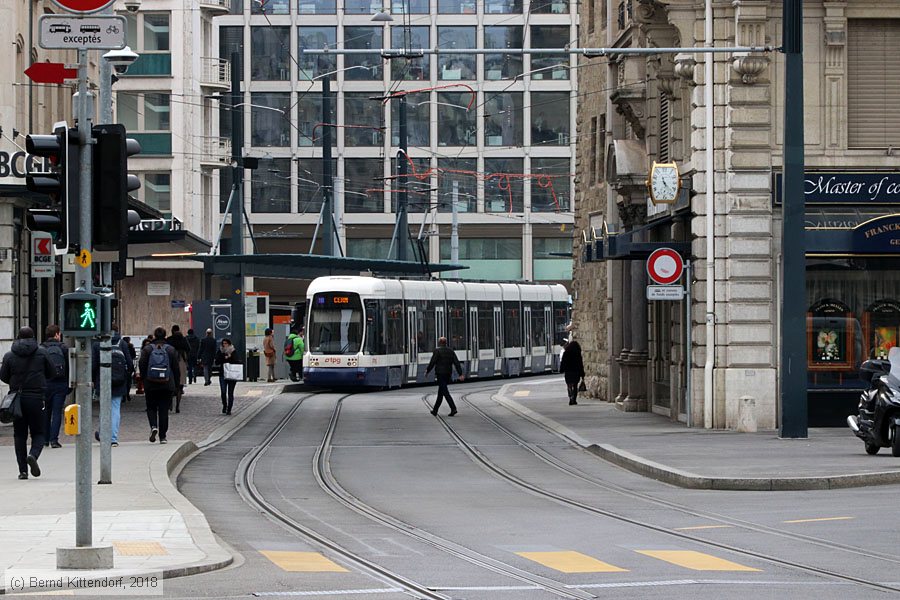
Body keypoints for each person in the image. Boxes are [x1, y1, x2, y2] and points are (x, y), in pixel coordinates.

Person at [0, 327, 56, 479]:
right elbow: (52, 372)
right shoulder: (42, 352)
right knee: (38, 432)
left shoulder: (10, 355)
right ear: (33, 337)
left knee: (19, 434)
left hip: (17, 399)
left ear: (18, 337)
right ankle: (33, 455)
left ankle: (23, 471)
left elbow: (3, 376)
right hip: (37, 397)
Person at [138, 327, 181, 444]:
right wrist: (177, 384)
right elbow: (176, 369)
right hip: (166, 384)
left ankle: (153, 426)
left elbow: (141, 364)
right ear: (165, 335)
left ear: (155, 335)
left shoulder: (147, 349)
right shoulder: (171, 350)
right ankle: (163, 436)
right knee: (163, 410)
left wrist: (143, 378)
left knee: (151, 407)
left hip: (150, 383)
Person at [91, 337, 132, 447]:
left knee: (104, 408)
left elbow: (93, 365)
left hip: (103, 380)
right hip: (119, 382)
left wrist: (94, 379)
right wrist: (126, 377)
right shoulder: (122, 343)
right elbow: (129, 363)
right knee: (115, 409)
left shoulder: (97, 344)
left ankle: (103, 434)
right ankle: (113, 438)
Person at [41, 324, 69, 449]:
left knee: (46, 411)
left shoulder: (41, 348)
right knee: (57, 412)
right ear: (57, 334)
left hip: (45, 383)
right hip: (60, 383)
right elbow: (69, 367)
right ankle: (54, 440)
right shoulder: (64, 348)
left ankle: (45, 439)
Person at [425, 336, 464, 417]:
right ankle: (435, 410)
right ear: (446, 343)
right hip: (448, 374)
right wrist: (460, 374)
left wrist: (428, 371)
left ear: (439, 342)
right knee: (441, 392)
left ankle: (453, 408)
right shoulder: (450, 351)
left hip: (440, 374)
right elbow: (457, 363)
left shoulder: (437, 351)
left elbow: (432, 362)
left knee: (445, 392)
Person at [166, 325, 190, 413]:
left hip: (170, 362)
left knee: (170, 384)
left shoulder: (169, 340)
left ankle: (170, 404)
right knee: (180, 385)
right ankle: (178, 406)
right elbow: (188, 349)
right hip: (181, 361)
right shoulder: (183, 339)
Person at [214, 338, 241, 414]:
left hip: (232, 374)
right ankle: (224, 405)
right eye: (223, 343)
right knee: (223, 392)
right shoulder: (220, 351)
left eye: (226, 343)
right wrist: (224, 357)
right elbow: (217, 361)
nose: (224, 345)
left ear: (229, 344)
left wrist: (230, 357)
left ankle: (229, 409)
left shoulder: (233, 351)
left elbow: (236, 360)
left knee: (230, 392)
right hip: (222, 374)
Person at [559, 333, 585, 406]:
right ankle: (574, 399)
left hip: (568, 372)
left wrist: (561, 369)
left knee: (569, 385)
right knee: (575, 385)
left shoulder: (566, 353)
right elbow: (580, 364)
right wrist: (582, 374)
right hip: (576, 372)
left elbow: (563, 362)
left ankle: (570, 396)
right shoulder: (577, 354)